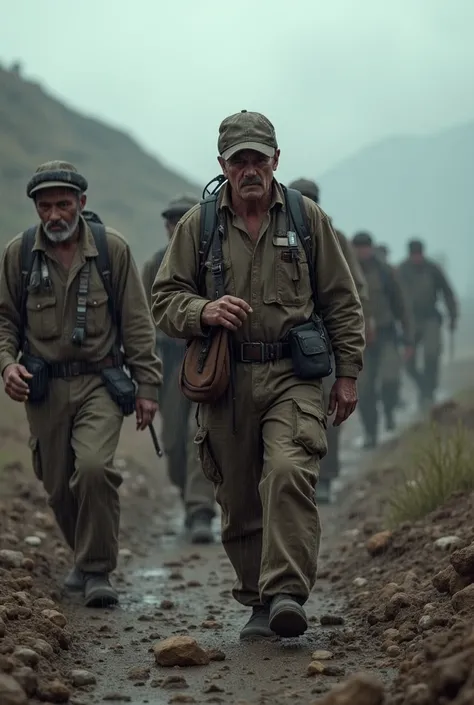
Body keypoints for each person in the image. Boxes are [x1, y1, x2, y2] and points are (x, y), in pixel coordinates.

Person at [152, 110, 365, 640]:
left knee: (290, 471)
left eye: (259, 159)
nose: (250, 169)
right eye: (239, 160)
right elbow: (163, 299)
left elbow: (341, 299)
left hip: (293, 374)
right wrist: (202, 311)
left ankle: (288, 590)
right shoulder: (197, 226)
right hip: (225, 380)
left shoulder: (305, 217)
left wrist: (347, 374)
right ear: (222, 164)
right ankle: (259, 600)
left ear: (276, 159)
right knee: (239, 495)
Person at [0, 161, 162, 607]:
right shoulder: (19, 254)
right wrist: (6, 365)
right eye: (46, 206)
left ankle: (96, 571)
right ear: (36, 207)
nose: (54, 214)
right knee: (56, 486)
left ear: (81, 204)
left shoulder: (112, 250)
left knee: (92, 468)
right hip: (44, 387)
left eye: (63, 204)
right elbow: (5, 320)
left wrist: (147, 385)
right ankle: (83, 557)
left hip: (100, 384)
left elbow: (137, 323)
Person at [288, 178, 372, 503]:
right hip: (290, 342)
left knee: (328, 411)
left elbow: (353, 292)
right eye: (301, 197)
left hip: (326, 342)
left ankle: (325, 477)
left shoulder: (333, 237)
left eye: (310, 198)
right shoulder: (276, 232)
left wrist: (350, 337)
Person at [142, 195, 216, 543]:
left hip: (206, 360)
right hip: (169, 362)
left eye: (182, 219)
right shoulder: (154, 265)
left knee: (198, 434)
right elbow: (139, 320)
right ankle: (188, 500)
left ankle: (201, 509)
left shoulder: (214, 260)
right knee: (173, 443)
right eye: (172, 221)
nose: (176, 226)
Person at [352, 231, 414, 448]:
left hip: (387, 335)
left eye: (365, 247)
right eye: (358, 248)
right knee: (365, 390)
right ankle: (371, 433)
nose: (362, 252)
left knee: (390, 380)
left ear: (371, 248)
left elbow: (401, 305)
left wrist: (408, 338)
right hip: (359, 341)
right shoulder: (345, 271)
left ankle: (389, 411)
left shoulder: (385, 271)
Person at [397, 239, 458, 408]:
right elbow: (393, 297)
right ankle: (424, 386)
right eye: (414, 254)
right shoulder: (401, 270)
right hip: (410, 321)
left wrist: (453, 316)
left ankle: (429, 391)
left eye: (419, 254)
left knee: (432, 354)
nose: (417, 257)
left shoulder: (433, 269)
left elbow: (447, 292)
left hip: (430, 318)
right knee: (409, 363)